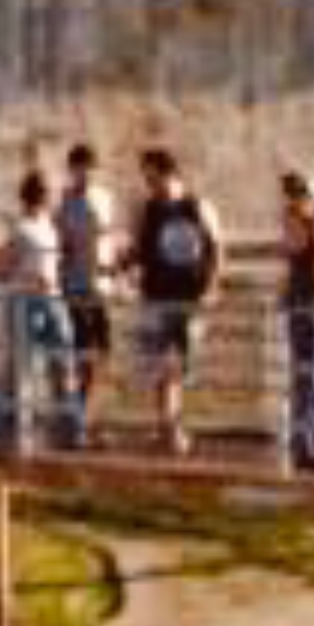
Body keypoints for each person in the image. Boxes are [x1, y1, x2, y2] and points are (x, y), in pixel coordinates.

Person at [125, 145, 225, 457]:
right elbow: (137, 249)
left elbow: (219, 247)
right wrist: (121, 267)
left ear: (168, 172)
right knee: (161, 369)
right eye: (146, 178)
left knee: (181, 369)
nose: (148, 184)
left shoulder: (197, 205)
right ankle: (170, 430)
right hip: (156, 296)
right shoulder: (148, 208)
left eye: (152, 177)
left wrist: (212, 287)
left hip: (189, 299)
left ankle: (172, 429)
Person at [0, 168, 73, 456]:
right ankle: (12, 434)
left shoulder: (49, 225)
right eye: (48, 191)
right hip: (24, 302)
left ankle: (63, 430)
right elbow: (0, 270)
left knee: (62, 363)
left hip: (52, 299)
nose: (52, 195)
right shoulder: (20, 228)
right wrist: (27, 279)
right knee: (20, 369)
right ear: (38, 194)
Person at [54, 145, 117, 447]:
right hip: (77, 287)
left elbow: (110, 237)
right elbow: (63, 244)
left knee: (102, 354)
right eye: (79, 167)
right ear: (72, 169)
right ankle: (78, 422)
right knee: (84, 355)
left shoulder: (104, 197)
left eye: (89, 167)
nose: (85, 173)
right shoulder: (66, 203)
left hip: (101, 287)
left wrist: (115, 266)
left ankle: (88, 419)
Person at [276, 168, 314, 472]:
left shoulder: (308, 219)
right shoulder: (299, 218)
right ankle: (304, 443)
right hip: (307, 303)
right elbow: (302, 247)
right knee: (308, 375)